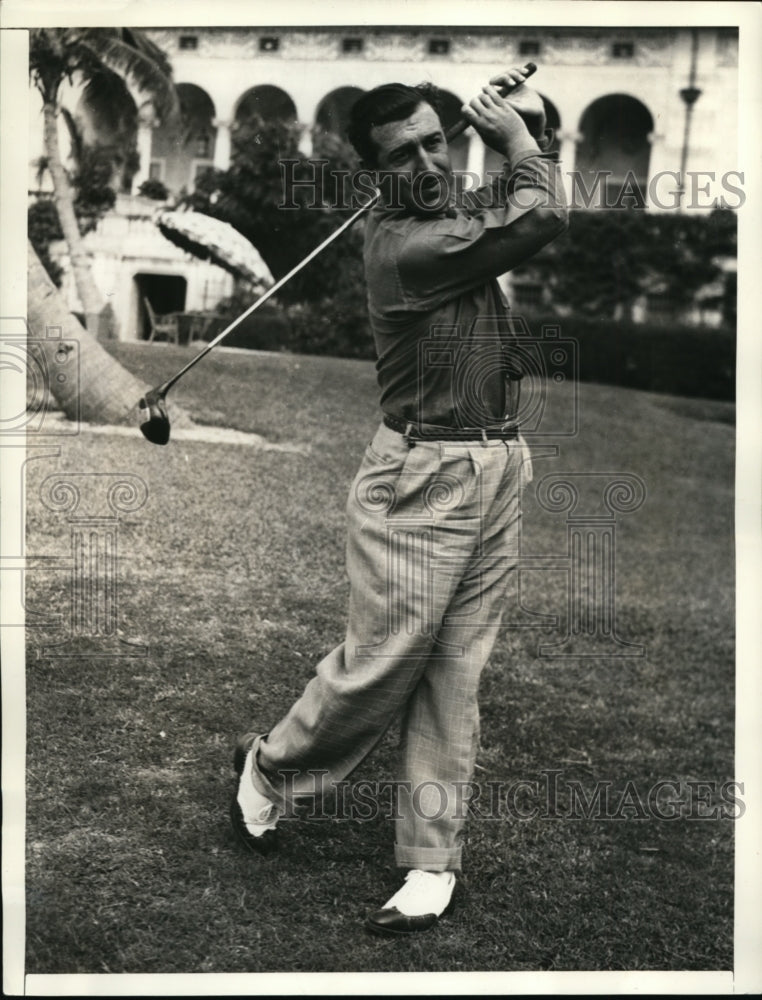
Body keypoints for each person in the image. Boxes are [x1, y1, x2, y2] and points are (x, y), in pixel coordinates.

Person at [231, 66, 568, 935]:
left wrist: (495, 146)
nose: (425, 161)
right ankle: (272, 768)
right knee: (383, 664)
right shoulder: (405, 249)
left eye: (434, 141)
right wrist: (519, 140)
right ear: (373, 175)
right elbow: (539, 214)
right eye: (403, 154)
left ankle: (430, 860)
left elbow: (496, 206)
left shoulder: (442, 217)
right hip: (421, 480)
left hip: (497, 466)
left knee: (455, 673)